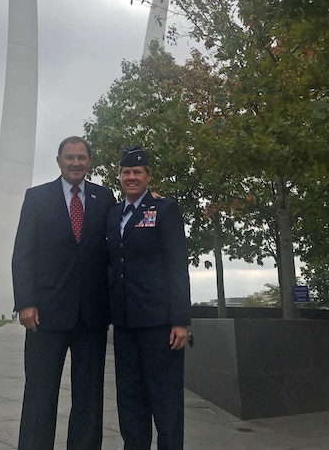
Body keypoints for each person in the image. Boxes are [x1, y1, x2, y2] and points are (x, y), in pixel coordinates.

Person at [12, 136, 116, 450]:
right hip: (45, 313)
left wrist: (149, 201)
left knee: (89, 396)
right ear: (58, 161)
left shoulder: (104, 198)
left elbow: (114, 246)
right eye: (69, 157)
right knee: (40, 394)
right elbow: (23, 252)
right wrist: (26, 302)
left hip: (91, 316)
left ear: (89, 162)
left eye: (81, 157)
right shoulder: (37, 197)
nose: (75, 163)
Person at [107, 147, 191, 450]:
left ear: (148, 176)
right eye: (126, 172)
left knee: (165, 400)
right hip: (126, 324)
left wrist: (180, 320)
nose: (131, 177)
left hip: (159, 324)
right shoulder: (114, 214)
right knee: (130, 400)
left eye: (137, 172)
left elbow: (177, 265)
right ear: (119, 176)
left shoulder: (165, 209)